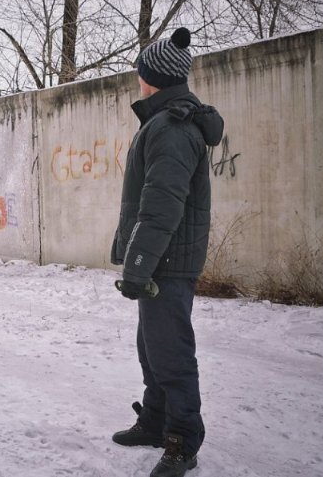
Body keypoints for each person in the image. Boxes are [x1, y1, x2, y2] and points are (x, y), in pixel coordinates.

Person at [110, 27, 224, 477]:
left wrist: (138, 266)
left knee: (171, 353)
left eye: (141, 72)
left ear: (151, 77)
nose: (137, 79)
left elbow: (161, 207)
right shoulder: (166, 121)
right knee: (152, 347)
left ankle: (182, 441)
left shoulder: (171, 128)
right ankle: (156, 422)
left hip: (167, 262)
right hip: (166, 259)